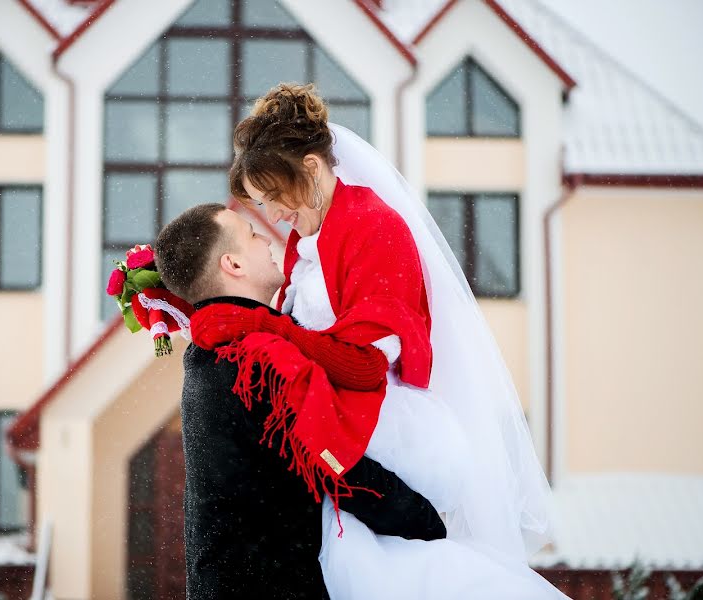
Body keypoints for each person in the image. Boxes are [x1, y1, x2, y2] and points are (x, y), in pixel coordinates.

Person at [188, 83, 569, 599]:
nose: (273, 215)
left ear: (313, 168)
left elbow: (366, 366)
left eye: (274, 196)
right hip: (343, 445)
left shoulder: (373, 227)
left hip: (389, 435)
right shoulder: (305, 244)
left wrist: (264, 325)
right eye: (261, 203)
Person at [154, 203, 447, 600]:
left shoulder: (211, 349)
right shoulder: (256, 357)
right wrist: (424, 519)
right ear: (233, 265)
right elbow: (335, 462)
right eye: (251, 234)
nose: (265, 237)